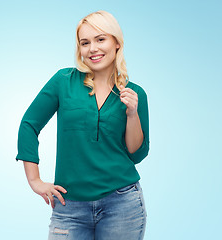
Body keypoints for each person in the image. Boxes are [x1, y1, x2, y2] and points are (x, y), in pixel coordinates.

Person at [15, 10, 149, 240]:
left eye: (100, 39)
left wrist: (132, 114)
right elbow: (29, 124)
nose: (92, 49)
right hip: (69, 207)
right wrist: (35, 180)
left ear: (116, 43)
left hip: (122, 204)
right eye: (85, 43)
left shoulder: (134, 93)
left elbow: (136, 154)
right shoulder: (63, 81)